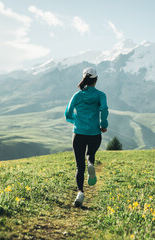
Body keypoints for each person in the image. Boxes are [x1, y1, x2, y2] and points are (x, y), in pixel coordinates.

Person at [65, 67, 109, 207]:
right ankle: (91, 163)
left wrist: (76, 121)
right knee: (90, 154)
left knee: (79, 166)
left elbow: (68, 113)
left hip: (78, 133)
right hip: (95, 133)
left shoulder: (77, 96)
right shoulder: (101, 95)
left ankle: (80, 193)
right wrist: (103, 124)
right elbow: (104, 109)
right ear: (96, 80)